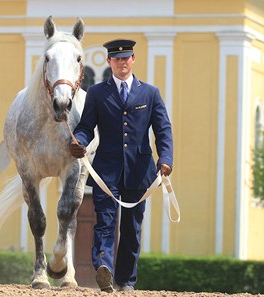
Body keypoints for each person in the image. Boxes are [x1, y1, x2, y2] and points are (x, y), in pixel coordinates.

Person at [70, 39, 174, 292]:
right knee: (104, 222)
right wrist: (79, 142)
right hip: (106, 170)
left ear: (133, 60)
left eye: (126, 58)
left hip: (140, 172)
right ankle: (104, 266)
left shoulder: (150, 93)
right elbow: (85, 127)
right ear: (109, 62)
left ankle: (126, 281)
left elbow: (163, 130)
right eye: (116, 59)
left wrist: (166, 159)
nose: (122, 62)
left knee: (131, 228)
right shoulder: (97, 93)